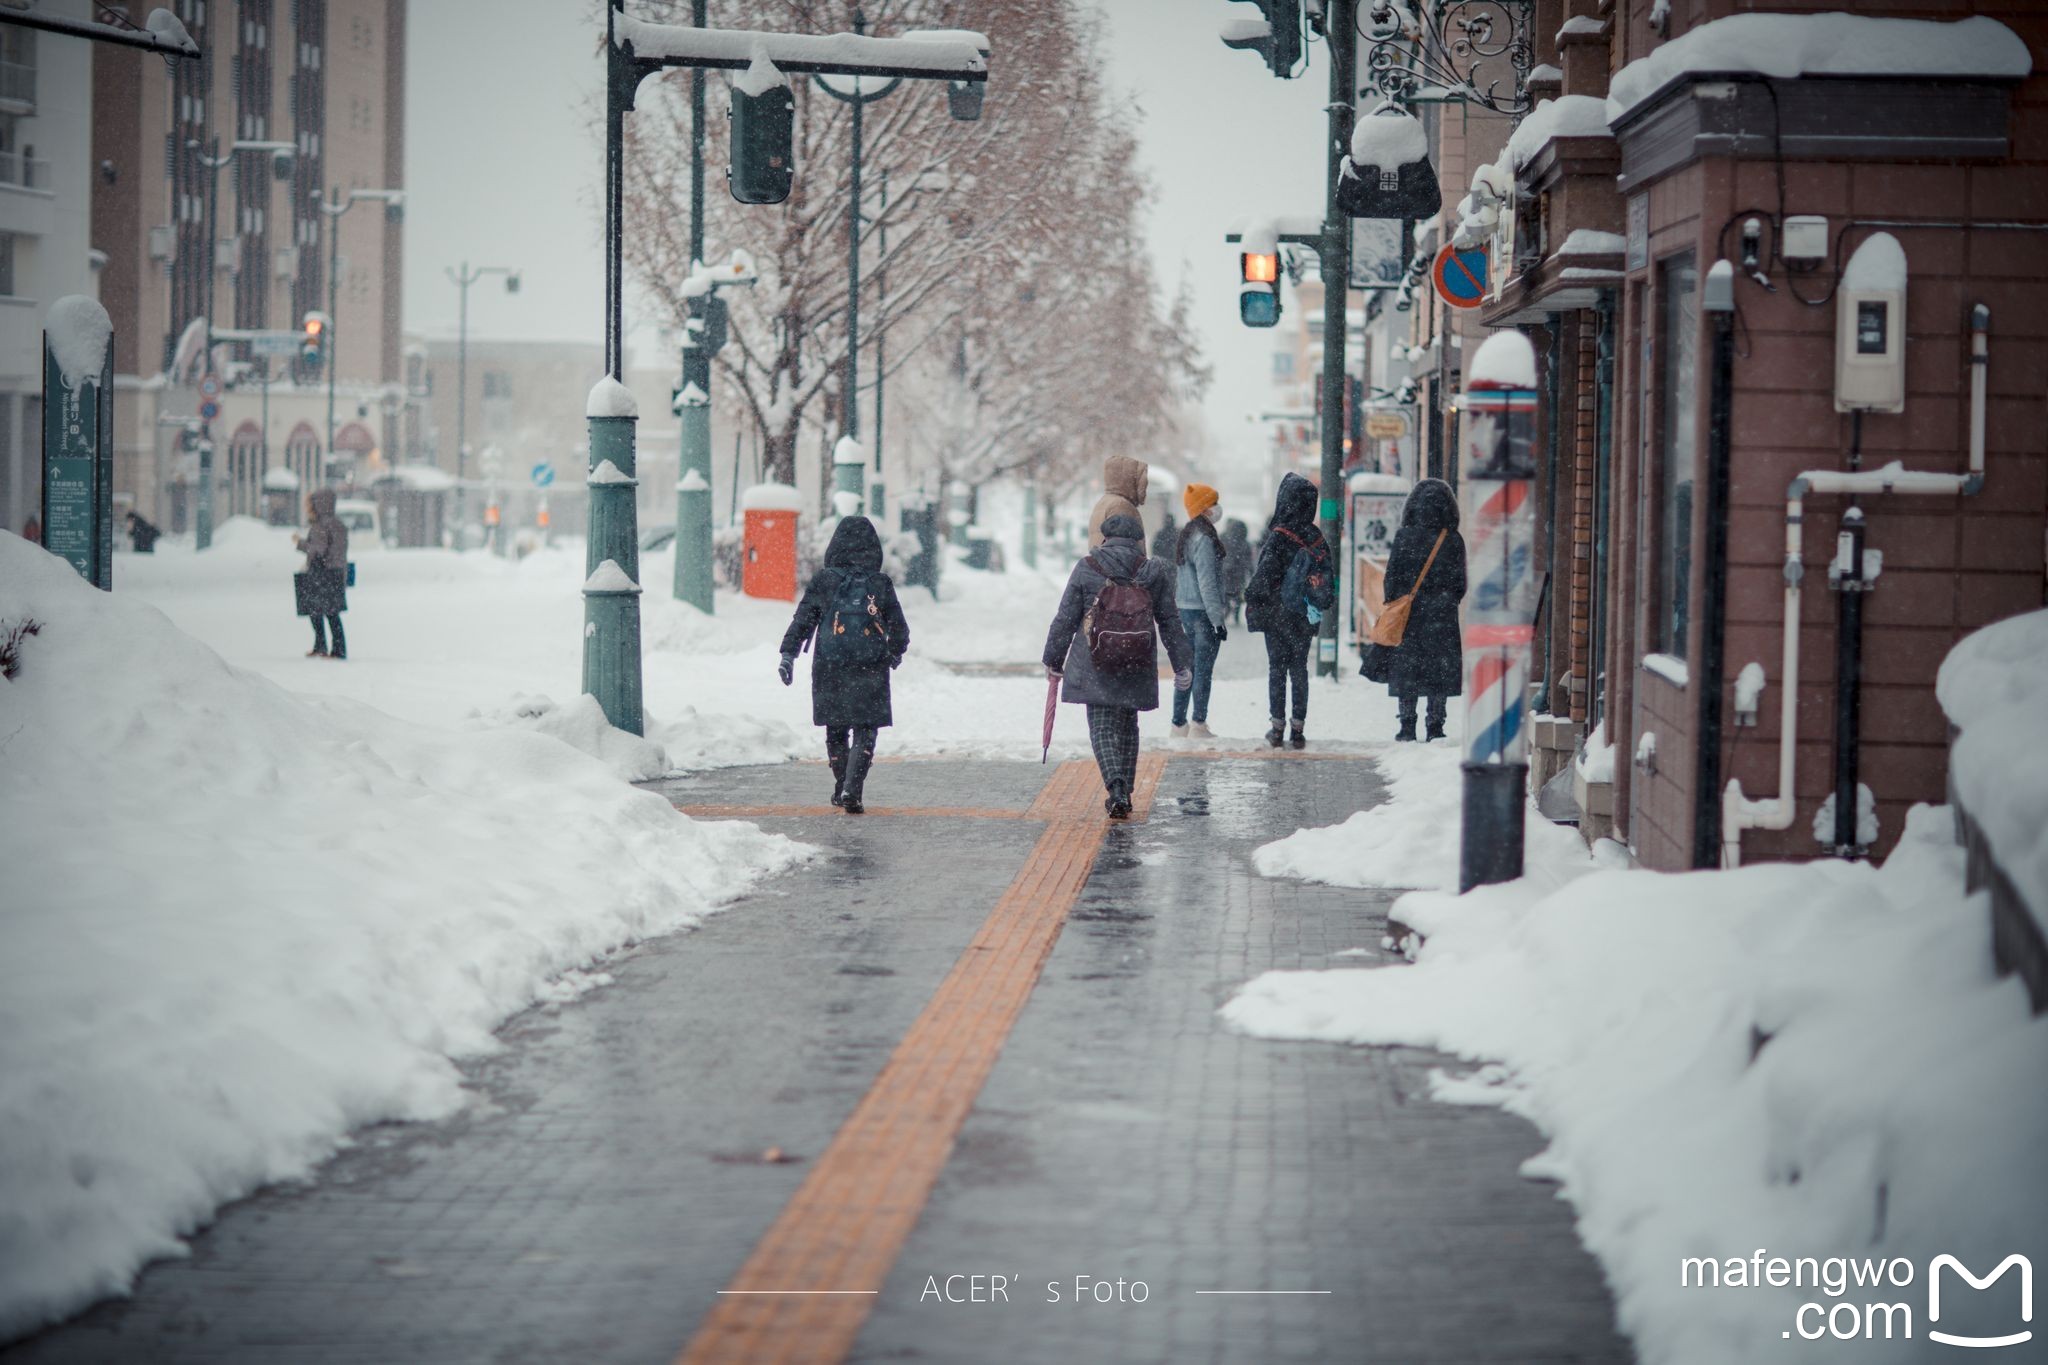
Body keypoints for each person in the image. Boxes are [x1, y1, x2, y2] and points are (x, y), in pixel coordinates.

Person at [1042, 513, 1192, 819]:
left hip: (1094, 658)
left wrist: (1053, 659)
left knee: (1100, 726)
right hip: (1136, 657)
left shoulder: (1088, 567)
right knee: (1127, 725)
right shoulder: (1152, 570)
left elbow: (1066, 616)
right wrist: (1182, 664)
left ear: (1104, 538)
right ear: (1138, 541)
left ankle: (1116, 788)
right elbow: (1169, 620)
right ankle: (1126, 788)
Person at [778, 515, 910, 814]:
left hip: (830, 663)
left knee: (835, 728)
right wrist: (895, 652)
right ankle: (853, 786)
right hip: (870, 663)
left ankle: (841, 785)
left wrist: (789, 654)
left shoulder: (825, 580)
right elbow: (899, 627)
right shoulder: (880, 583)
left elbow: (803, 619)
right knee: (866, 727)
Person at [1363, 477, 1466, 741]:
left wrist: (1400, 601)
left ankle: (1407, 724)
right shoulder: (1453, 540)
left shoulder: (1404, 536)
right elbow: (1460, 584)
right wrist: (1444, 601)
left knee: (1408, 669)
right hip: (1442, 616)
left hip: (1409, 616)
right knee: (1438, 669)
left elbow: (1391, 579)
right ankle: (1435, 724)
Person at [1244, 473, 1335, 749]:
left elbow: (1264, 576)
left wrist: (1251, 596)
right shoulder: (1316, 538)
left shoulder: (1279, 536)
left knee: (1276, 669)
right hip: (1304, 615)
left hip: (1276, 614)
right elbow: (1327, 581)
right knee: (1299, 668)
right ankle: (1298, 728)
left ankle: (1277, 727)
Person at [1170, 484, 1228, 741]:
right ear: (1204, 508)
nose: (1217, 508)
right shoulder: (1204, 538)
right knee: (1202, 670)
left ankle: (1178, 724)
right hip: (1202, 613)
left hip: (1185, 608)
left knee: (1187, 669)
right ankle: (1198, 724)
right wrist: (1217, 620)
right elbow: (1207, 582)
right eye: (1214, 503)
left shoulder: (1188, 535)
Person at [293, 489, 349, 660]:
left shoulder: (321, 526)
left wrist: (299, 542)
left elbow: (317, 550)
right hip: (337, 572)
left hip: (322, 574)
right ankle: (333, 648)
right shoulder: (338, 524)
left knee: (317, 611)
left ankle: (325, 647)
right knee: (332, 612)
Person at [1086, 454, 1148, 549]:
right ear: (1130, 481)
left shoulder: (1105, 501)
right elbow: (1126, 553)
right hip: (1120, 563)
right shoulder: (1121, 505)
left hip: (1103, 562)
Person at [1220, 517, 1253, 624]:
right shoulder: (1245, 543)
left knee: (1225, 593)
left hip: (1227, 572)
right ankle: (1236, 615)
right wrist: (1250, 572)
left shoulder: (1225, 539)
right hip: (1239, 574)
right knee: (1237, 595)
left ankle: (1227, 608)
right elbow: (1248, 560)